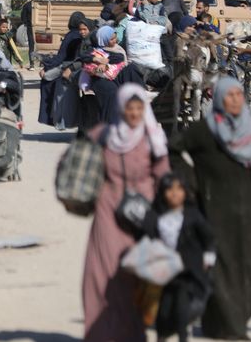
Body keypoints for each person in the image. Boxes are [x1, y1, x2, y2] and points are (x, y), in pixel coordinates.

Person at [168, 77, 251, 340]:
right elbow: (172, 150)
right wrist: (190, 181)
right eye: (229, 95)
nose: (235, 100)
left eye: (239, 94)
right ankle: (234, 330)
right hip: (216, 208)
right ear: (219, 98)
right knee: (223, 269)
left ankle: (218, 323)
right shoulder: (206, 130)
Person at [83, 84, 170, 341]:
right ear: (121, 108)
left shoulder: (153, 140)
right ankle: (99, 334)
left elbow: (165, 178)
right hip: (108, 213)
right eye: (129, 108)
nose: (133, 114)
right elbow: (79, 162)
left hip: (142, 218)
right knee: (101, 274)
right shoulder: (104, 135)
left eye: (138, 108)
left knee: (136, 279)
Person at [148, 173, 216, 342]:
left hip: (187, 271)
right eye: (170, 189)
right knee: (163, 311)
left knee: (181, 309)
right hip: (165, 271)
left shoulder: (192, 215)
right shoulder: (157, 215)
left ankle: (183, 337)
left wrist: (208, 257)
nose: (174, 193)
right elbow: (147, 233)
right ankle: (161, 336)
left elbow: (208, 237)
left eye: (179, 189)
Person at [81, 26, 144, 123]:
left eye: (115, 38)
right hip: (100, 79)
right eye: (111, 39)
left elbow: (119, 58)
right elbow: (84, 57)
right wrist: (96, 59)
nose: (115, 40)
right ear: (103, 40)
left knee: (131, 68)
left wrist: (106, 61)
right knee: (112, 92)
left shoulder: (117, 49)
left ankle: (140, 94)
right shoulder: (94, 50)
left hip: (116, 75)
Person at [38, 12, 87, 126]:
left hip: (68, 67)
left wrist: (47, 67)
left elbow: (61, 57)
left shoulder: (71, 35)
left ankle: (51, 118)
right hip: (76, 66)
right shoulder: (83, 35)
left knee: (47, 79)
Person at [21, 0, 35, 70]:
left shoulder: (42, 5)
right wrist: (27, 24)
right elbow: (23, 16)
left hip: (40, 28)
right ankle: (32, 64)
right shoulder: (27, 5)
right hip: (30, 28)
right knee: (31, 46)